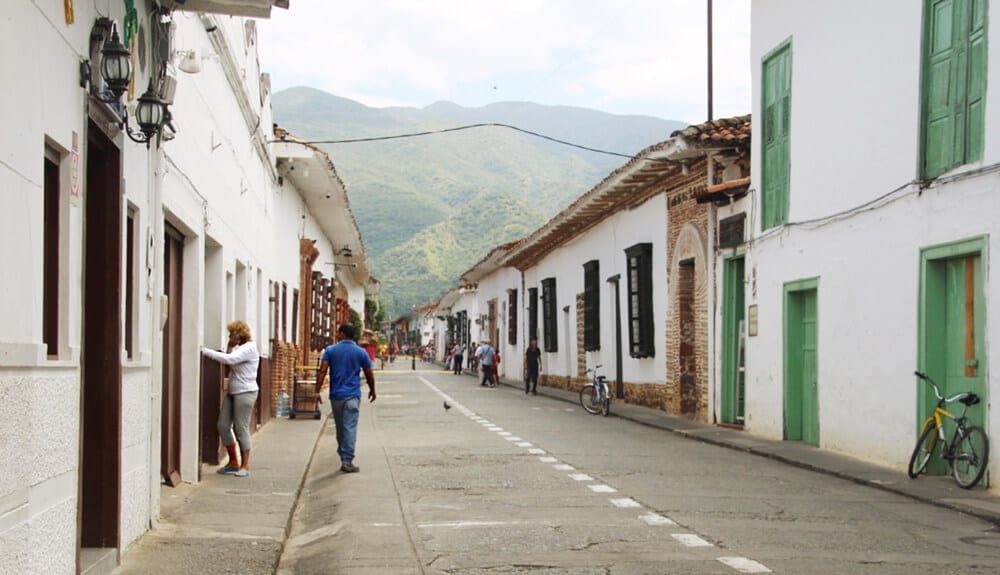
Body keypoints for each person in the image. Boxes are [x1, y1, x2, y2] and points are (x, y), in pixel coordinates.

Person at [314, 323, 377, 473]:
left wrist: (317, 391)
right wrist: (372, 390)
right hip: (353, 396)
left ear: (342, 334)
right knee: (350, 427)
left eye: (338, 332)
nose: (337, 334)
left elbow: (322, 371)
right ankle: (347, 459)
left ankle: (344, 455)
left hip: (336, 396)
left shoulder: (330, 350)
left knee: (341, 428)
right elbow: (369, 372)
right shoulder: (360, 352)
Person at [202, 320, 260, 478]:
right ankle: (233, 462)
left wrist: (205, 351)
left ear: (239, 334)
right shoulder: (238, 348)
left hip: (245, 393)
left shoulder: (249, 348)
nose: (230, 336)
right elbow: (230, 357)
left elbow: (230, 360)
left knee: (240, 428)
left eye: (231, 334)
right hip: (233, 392)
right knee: (223, 425)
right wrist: (229, 344)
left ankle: (245, 465)